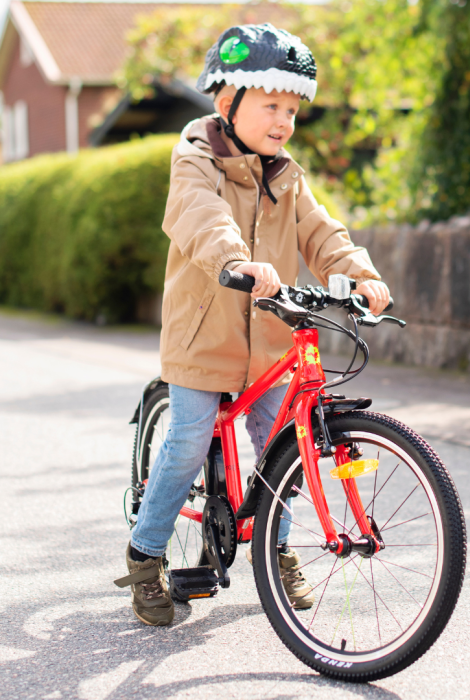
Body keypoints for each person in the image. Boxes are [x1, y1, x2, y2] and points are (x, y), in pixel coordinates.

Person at [114, 23, 390, 626]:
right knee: (189, 442)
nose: (284, 121)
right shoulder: (195, 160)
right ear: (227, 103)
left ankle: (275, 546)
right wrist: (236, 261)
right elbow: (203, 219)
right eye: (271, 105)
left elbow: (321, 232)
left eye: (292, 109)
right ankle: (145, 553)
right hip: (202, 337)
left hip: (267, 341)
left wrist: (359, 274)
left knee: (281, 447)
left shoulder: (287, 175)